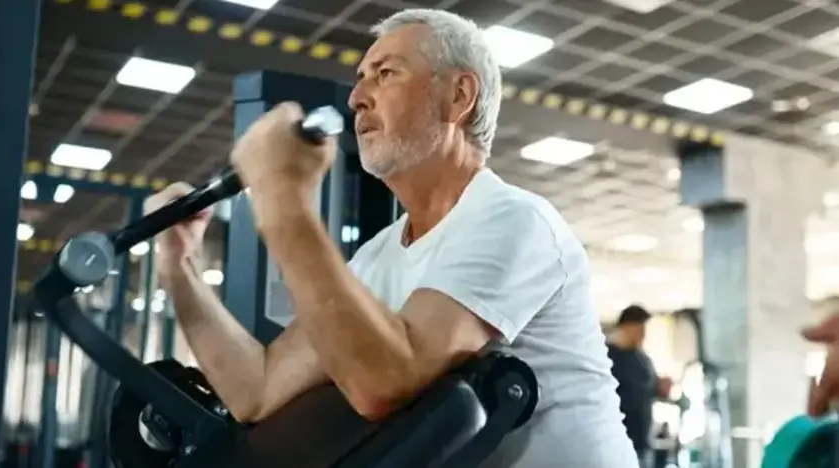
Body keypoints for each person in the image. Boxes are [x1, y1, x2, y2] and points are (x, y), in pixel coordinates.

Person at [145, 8, 636, 467]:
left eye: (385, 73)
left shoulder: (515, 220)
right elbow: (258, 388)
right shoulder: (377, 256)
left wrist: (283, 198)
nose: (357, 96)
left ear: (459, 97)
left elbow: (385, 381)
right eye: (360, 79)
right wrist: (177, 267)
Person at [606, 305, 671, 467]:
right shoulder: (607, 357)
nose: (643, 333)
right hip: (618, 442)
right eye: (639, 327)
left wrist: (661, 387)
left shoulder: (643, 360)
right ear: (625, 327)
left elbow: (651, 390)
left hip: (642, 442)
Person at [803, 313, 839, 416]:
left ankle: (815, 422)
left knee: (817, 407)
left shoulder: (836, 321)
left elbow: (812, 335)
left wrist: (806, 331)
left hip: (833, 375)